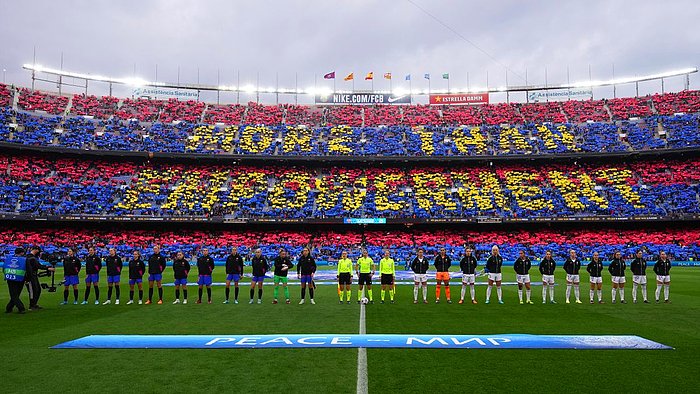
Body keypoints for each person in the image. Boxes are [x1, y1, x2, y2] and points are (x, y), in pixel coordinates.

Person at [25, 246, 53, 310]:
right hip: (30, 277)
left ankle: (34, 304)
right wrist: (47, 268)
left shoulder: (31, 257)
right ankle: (32, 305)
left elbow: (38, 265)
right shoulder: (31, 258)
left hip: (33, 276)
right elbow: (37, 266)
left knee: (37, 290)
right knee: (33, 291)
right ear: (35, 250)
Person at [4, 247, 30, 314]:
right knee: (16, 294)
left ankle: (11, 308)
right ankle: (18, 308)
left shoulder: (8, 259)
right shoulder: (25, 260)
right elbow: (29, 270)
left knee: (14, 294)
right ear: (22, 253)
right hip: (20, 278)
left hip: (10, 278)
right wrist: (28, 279)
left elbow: (4, 268)